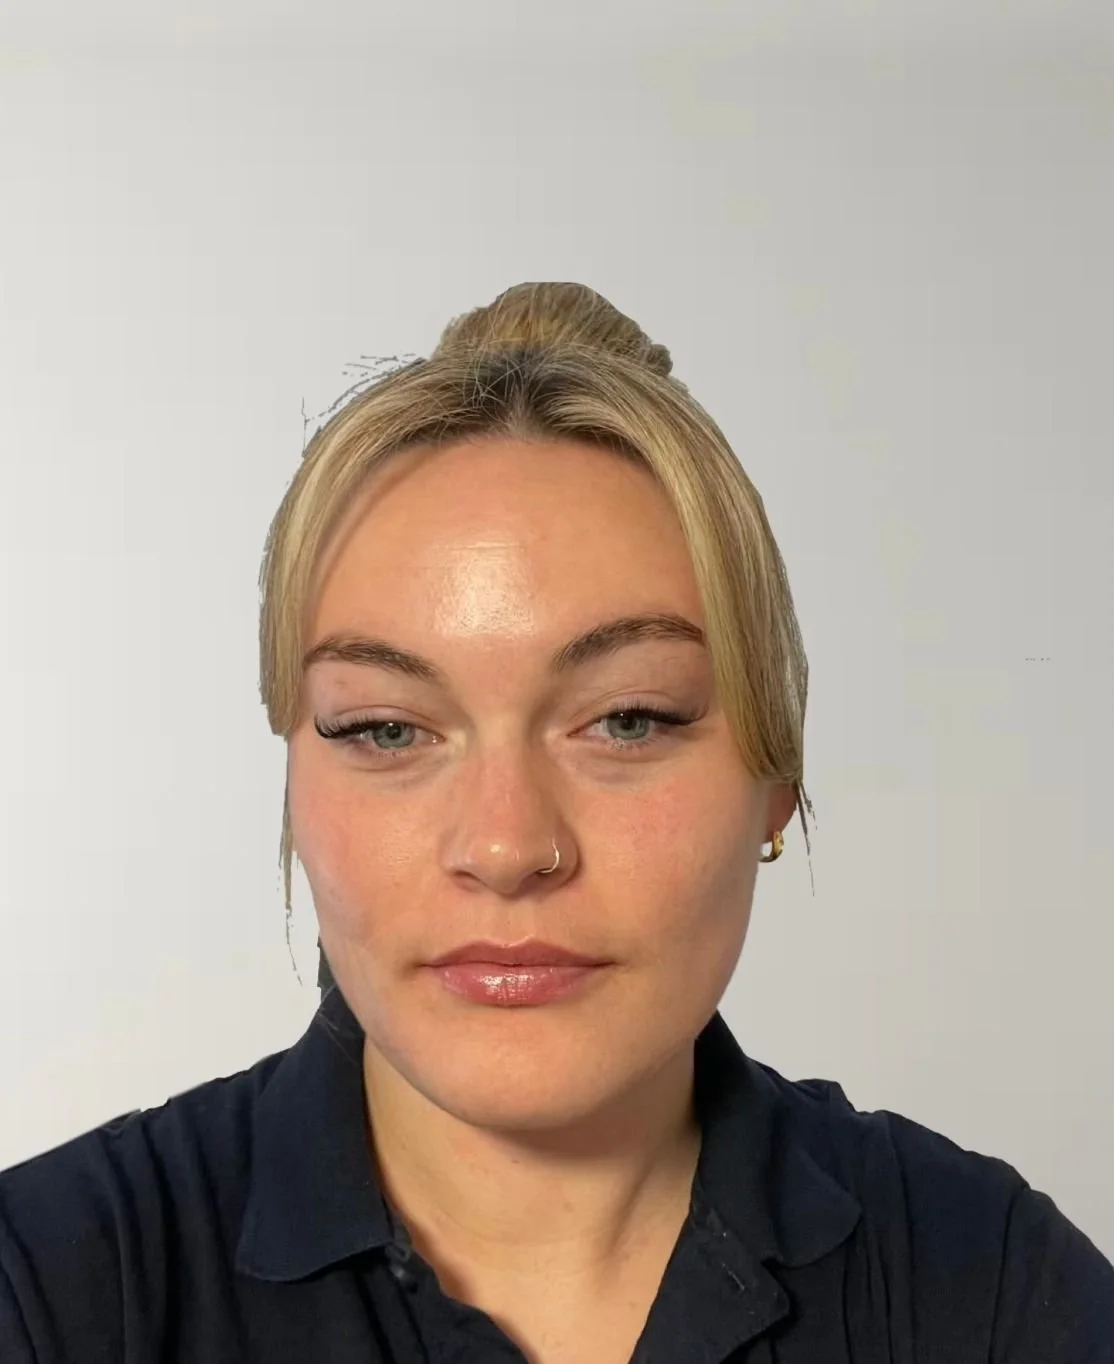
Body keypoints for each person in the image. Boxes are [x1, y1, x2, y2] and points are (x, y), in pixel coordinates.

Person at [1, 282, 1111, 1363]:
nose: (504, 846)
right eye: (386, 728)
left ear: (778, 772)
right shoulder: (47, 1290)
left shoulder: (996, 1289)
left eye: (628, 719)